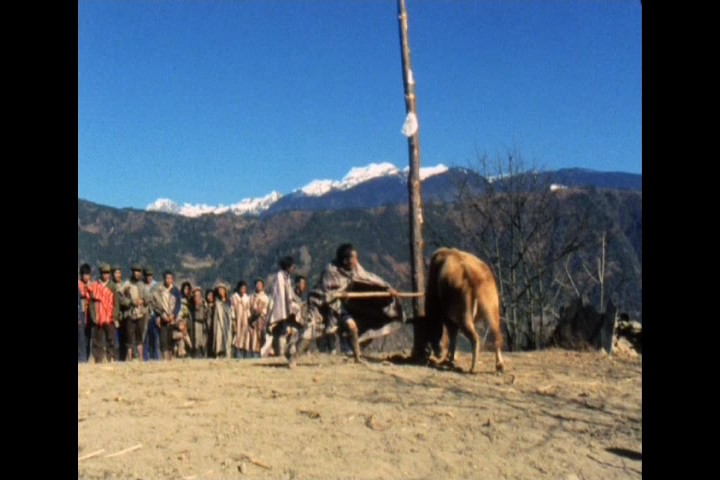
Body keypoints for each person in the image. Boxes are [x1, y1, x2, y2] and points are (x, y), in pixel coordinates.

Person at [310, 243, 400, 364]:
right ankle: (293, 357)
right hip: (327, 307)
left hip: (345, 306)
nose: (357, 261)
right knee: (311, 333)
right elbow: (326, 294)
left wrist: (387, 287)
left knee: (353, 326)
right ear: (345, 260)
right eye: (354, 258)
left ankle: (354, 354)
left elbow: (369, 278)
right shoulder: (330, 271)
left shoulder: (355, 268)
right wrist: (338, 296)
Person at [262, 256, 302, 360]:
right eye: (292, 266)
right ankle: (280, 353)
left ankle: (285, 353)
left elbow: (289, 293)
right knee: (282, 331)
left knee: (287, 331)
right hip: (280, 308)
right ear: (288, 267)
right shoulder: (280, 276)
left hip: (286, 308)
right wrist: (286, 308)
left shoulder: (287, 277)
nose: (293, 269)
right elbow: (280, 295)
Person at [119, 264, 151, 361]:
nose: (137, 273)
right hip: (129, 313)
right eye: (135, 271)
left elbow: (149, 297)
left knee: (140, 336)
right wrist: (130, 302)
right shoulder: (126, 284)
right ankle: (130, 357)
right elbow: (120, 297)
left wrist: (143, 301)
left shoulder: (142, 285)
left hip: (141, 313)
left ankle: (140, 357)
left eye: (139, 271)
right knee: (129, 336)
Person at [88, 263, 118, 363]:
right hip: (98, 315)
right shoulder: (95, 285)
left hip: (109, 316)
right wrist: (93, 316)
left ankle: (111, 357)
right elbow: (91, 302)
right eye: (104, 273)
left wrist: (115, 315)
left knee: (111, 339)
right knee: (97, 339)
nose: (106, 275)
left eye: (108, 273)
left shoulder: (112, 286)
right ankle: (98, 358)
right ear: (101, 273)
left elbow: (116, 302)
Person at [152, 271, 182, 361]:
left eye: (170, 278)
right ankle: (165, 358)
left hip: (172, 318)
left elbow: (178, 304)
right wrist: (160, 315)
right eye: (167, 278)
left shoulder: (175, 290)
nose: (169, 280)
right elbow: (156, 304)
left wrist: (174, 314)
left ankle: (170, 357)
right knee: (163, 339)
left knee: (170, 338)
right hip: (163, 317)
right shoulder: (160, 290)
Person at [248, 278, 271, 358]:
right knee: (253, 340)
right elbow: (248, 309)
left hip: (263, 320)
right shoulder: (251, 297)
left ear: (263, 286)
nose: (258, 286)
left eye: (260, 284)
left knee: (262, 339)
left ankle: (262, 356)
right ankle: (254, 356)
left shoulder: (266, 298)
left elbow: (268, 310)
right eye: (257, 284)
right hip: (252, 321)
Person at [211, 283, 233, 358]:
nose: (220, 291)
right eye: (219, 290)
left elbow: (230, 313)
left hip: (227, 323)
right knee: (218, 339)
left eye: (222, 290)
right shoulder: (217, 303)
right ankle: (218, 354)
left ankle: (227, 355)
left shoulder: (228, 302)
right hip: (218, 324)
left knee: (227, 339)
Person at [77, 263, 94, 362]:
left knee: (88, 337)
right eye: (85, 274)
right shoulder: (78, 285)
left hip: (89, 314)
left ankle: (86, 358)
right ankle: (82, 359)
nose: (87, 277)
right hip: (81, 314)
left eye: (88, 274)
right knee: (81, 337)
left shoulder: (91, 285)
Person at [143, 267, 160, 360]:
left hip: (154, 313)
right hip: (145, 314)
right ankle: (145, 357)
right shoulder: (142, 285)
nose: (149, 277)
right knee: (144, 336)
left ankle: (155, 357)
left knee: (155, 337)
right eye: (147, 275)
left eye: (150, 275)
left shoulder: (156, 286)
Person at [231, 281, 251, 359]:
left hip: (245, 319)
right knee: (237, 336)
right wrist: (233, 319)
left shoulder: (247, 298)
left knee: (245, 336)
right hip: (237, 319)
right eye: (242, 288)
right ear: (239, 288)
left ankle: (244, 354)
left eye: (244, 288)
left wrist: (249, 318)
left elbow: (248, 309)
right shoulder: (234, 297)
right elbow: (232, 309)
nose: (243, 290)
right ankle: (237, 354)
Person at [111, 266, 125, 361]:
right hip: (113, 316)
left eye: (119, 273)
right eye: (116, 273)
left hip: (124, 316)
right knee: (115, 340)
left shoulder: (124, 285)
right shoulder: (111, 286)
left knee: (124, 340)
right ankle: (115, 358)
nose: (118, 275)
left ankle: (123, 359)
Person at [190, 288, 209, 358]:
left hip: (203, 324)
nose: (197, 297)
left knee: (203, 341)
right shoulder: (191, 305)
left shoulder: (204, 304)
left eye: (198, 295)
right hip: (195, 324)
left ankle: (204, 355)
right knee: (196, 341)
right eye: (195, 295)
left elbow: (207, 314)